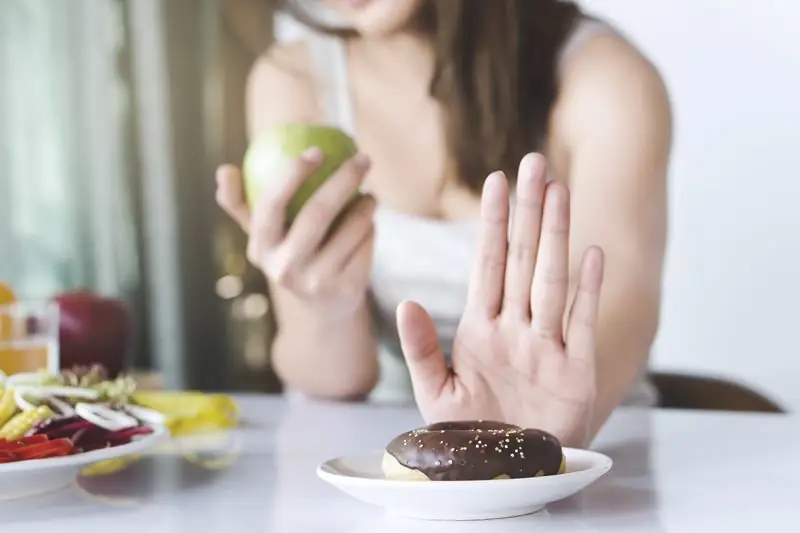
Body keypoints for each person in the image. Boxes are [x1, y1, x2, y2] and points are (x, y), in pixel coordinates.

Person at [216, 0, 671, 448]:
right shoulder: (295, 80)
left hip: (592, 450)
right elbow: (337, 384)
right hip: (400, 459)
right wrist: (324, 307)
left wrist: (536, 431)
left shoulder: (604, 75)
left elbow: (620, 309)